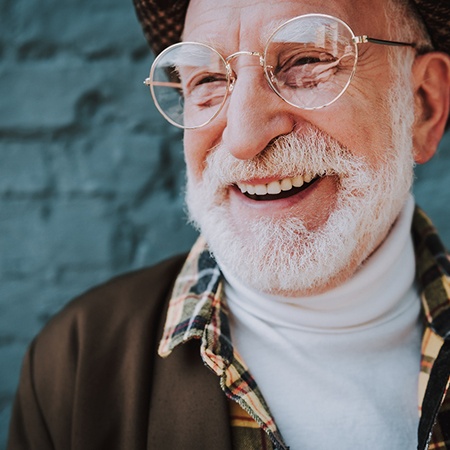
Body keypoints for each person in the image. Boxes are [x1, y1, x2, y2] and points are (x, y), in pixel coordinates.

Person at [7, 0, 450, 448]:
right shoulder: (74, 366)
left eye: (307, 62)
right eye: (209, 80)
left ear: (424, 105)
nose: (243, 137)